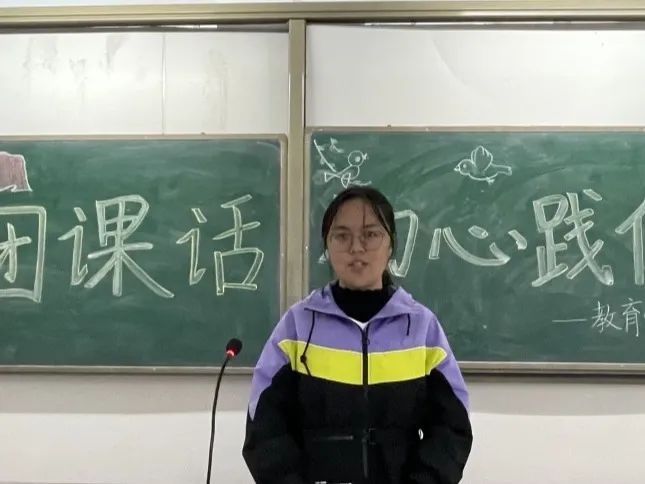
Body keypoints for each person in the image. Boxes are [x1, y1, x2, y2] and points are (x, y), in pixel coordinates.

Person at [242, 186, 473, 484]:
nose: (356, 248)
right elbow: (265, 426)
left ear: (391, 245)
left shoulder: (421, 327)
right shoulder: (297, 326)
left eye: (370, 234)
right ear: (327, 247)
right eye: (342, 236)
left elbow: (451, 428)